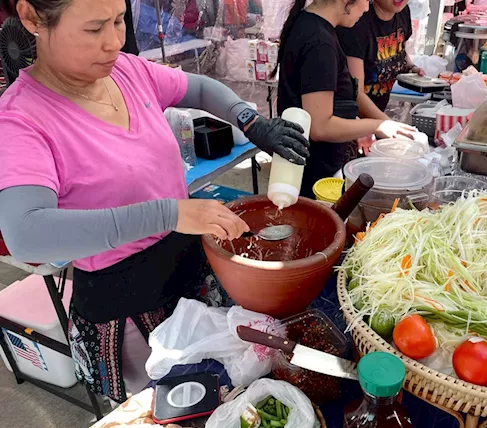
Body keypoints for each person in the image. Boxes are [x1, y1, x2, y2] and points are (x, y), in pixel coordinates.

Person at [0, 0, 309, 402]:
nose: (113, 42)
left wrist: (249, 120)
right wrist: (170, 212)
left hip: (189, 274)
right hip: (129, 307)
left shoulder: (127, 71)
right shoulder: (21, 120)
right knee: (172, 425)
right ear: (31, 18)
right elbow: (27, 234)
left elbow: (196, 88)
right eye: (94, 29)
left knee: (230, 397)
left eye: (118, 21)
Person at [276, 0, 416, 198]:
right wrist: (377, 126)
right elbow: (320, 127)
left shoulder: (311, 25)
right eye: (366, 0)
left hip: (314, 165)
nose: (368, 8)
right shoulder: (319, 42)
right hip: (314, 173)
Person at [337, 0, 424, 120]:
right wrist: (388, 125)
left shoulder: (403, 12)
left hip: (377, 115)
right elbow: (356, 93)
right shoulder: (357, 22)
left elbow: (399, 50)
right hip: (351, 121)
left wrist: (411, 67)